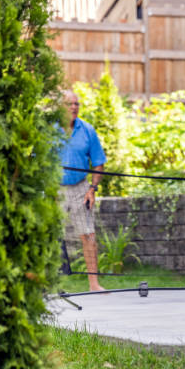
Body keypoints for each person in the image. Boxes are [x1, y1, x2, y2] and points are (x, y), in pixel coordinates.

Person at [59, 90, 107, 292]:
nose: (74, 107)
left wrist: (92, 189)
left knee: (88, 235)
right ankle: (46, 285)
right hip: (55, 188)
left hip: (81, 187)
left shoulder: (87, 130)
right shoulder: (48, 131)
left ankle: (94, 284)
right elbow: (37, 161)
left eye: (76, 104)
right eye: (70, 104)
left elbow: (98, 163)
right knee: (49, 236)